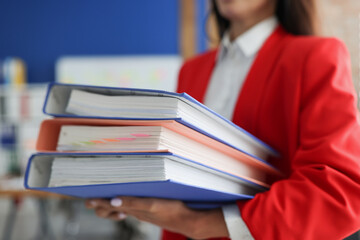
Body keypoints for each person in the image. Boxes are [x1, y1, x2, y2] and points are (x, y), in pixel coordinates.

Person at [85, 0, 360, 239]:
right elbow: (179, 173)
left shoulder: (315, 56)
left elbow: (338, 190)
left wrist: (207, 224)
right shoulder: (192, 70)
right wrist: (130, 199)